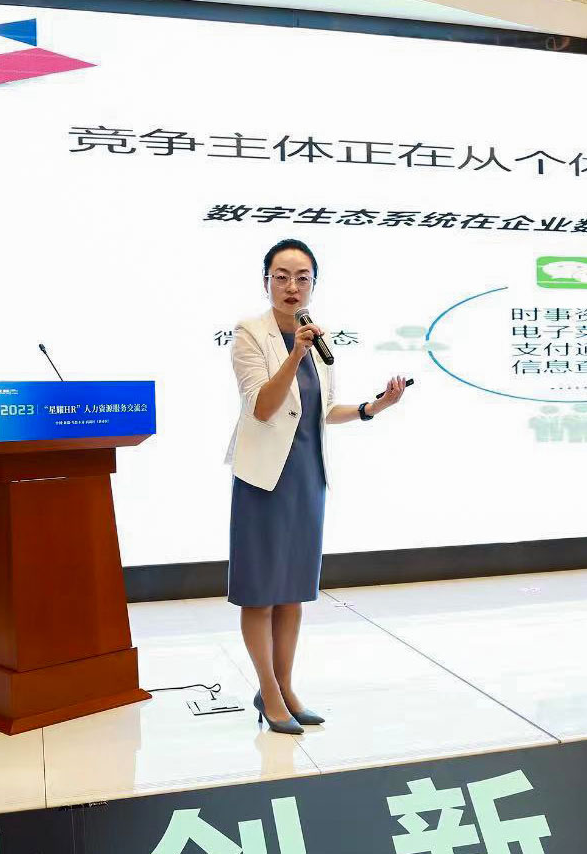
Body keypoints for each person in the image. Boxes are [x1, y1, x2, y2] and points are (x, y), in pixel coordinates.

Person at [224, 238, 409, 734]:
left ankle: (285, 688)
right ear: (266, 281)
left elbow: (323, 410)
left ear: (314, 284)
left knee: (292, 592)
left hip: (307, 476)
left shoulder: (319, 340)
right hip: (264, 479)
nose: (292, 286)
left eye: (302, 278)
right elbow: (263, 406)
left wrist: (374, 407)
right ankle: (268, 692)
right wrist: (295, 354)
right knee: (260, 592)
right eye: (281, 276)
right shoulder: (250, 334)